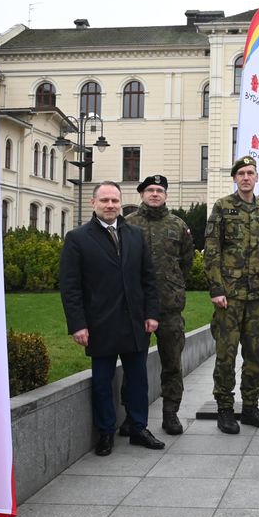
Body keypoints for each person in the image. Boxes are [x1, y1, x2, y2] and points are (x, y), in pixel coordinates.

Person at [60, 181, 163, 456]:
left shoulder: (135, 235)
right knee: (102, 382)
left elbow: (148, 279)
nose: (110, 206)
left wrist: (152, 313)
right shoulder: (78, 238)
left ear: (121, 203)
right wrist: (78, 324)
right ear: (94, 203)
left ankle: (139, 427)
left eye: (115, 201)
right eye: (104, 200)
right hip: (99, 324)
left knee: (139, 379)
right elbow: (70, 287)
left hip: (134, 322)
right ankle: (106, 432)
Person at [204, 156, 259, 434]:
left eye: (250, 173)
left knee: (254, 352)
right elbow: (212, 250)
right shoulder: (223, 207)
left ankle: (250, 407)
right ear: (234, 178)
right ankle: (225, 408)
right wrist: (216, 288)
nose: (246, 177)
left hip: (256, 293)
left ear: (257, 178)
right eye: (241, 174)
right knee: (226, 353)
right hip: (230, 296)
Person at [125, 174, 196, 436]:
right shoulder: (128, 224)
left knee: (172, 363)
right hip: (136, 308)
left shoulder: (178, 225)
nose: (155, 194)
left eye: (160, 190)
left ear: (166, 195)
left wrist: (173, 285)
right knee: (134, 364)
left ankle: (170, 414)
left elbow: (186, 261)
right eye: (150, 190)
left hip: (169, 307)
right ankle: (131, 415)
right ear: (142, 194)